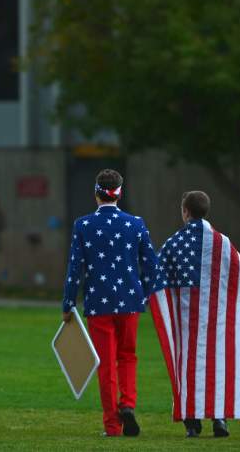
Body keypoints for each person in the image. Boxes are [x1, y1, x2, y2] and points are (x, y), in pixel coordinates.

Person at [62, 169, 163, 437]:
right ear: (120, 193)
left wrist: (67, 304)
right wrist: (146, 294)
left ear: (96, 193)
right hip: (131, 302)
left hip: (99, 303)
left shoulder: (83, 225)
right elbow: (153, 267)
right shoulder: (136, 224)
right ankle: (127, 404)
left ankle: (112, 425)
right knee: (128, 356)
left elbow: (75, 269)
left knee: (105, 363)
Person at [149, 190, 240, 439]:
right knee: (218, 367)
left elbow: (157, 278)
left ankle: (192, 423)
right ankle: (220, 420)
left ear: (185, 211)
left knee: (188, 369)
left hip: (187, 320)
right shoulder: (222, 243)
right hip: (216, 320)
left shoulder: (174, 243)